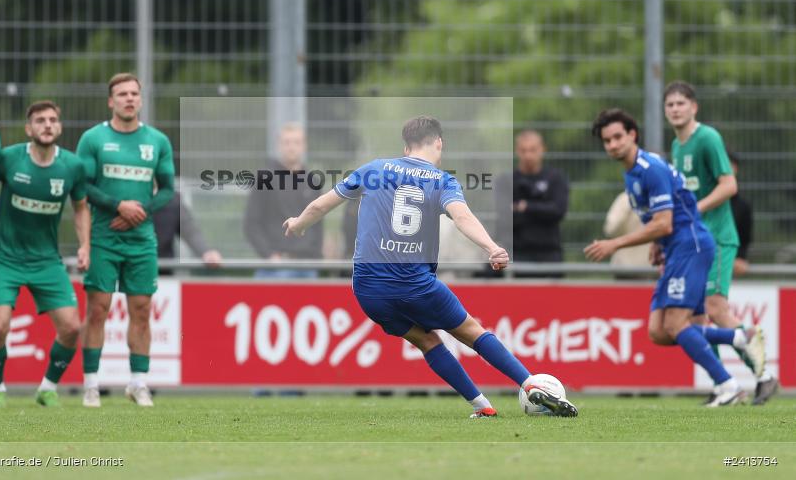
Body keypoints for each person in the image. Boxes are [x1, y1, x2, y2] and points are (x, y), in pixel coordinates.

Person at [283, 116, 577, 418]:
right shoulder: (442, 180)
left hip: (368, 290)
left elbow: (320, 205)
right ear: (438, 143)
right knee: (471, 331)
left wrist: (297, 224)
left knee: (426, 340)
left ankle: (483, 407)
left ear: (406, 146)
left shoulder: (373, 170)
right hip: (415, 285)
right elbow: (461, 217)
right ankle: (530, 384)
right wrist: (492, 247)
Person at [584, 108, 765, 407]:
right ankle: (740, 338)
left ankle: (728, 385)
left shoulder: (650, 168)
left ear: (632, 135)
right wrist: (658, 242)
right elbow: (660, 221)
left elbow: (665, 222)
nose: (613, 144)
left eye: (618, 137)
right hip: (675, 248)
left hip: (689, 245)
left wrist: (615, 244)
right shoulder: (632, 174)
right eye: (607, 140)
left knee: (677, 324)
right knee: (659, 331)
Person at [664, 82, 777, 405]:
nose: (675, 109)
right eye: (669, 104)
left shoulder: (708, 138)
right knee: (697, 318)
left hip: (718, 238)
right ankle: (724, 386)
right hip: (694, 242)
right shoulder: (677, 145)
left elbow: (729, 185)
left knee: (715, 308)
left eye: (681, 103)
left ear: (694, 107)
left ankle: (764, 376)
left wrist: (694, 211)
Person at [76, 73, 174, 408]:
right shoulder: (94, 139)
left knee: (142, 310)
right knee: (98, 309)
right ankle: (91, 383)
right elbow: (83, 186)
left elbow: (168, 190)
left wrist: (141, 210)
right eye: (122, 94)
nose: (129, 99)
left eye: (134, 93)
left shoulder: (157, 141)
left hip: (141, 239)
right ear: (111, 101)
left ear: (141, 100)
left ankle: (138, 382)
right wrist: (117, 205)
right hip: (104, 236)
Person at [0, 101, 90, 408]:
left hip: (47, 260)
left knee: (72, 327)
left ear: (60, 127)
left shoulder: (73, 166)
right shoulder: (8, 159)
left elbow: (81, 208)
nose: (47, 124)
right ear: (29, 128)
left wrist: (85, 245)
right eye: (40, 120)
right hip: (5, 257)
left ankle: (47, 387)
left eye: (53, 120)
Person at [244, 123, 323, 275]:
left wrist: (317, 256)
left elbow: (318, 223)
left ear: (304, 146)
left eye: (296, 142)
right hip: (276, 267)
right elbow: (251, 223)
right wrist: (269, 255)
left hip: (308, 267)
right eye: (287, 142)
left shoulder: (313, 181)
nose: (291, 147)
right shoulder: (265, 178)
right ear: (279, 146)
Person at [499, 130, 569, 277]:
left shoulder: (556, 178)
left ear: (543, 149)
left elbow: (558, 211)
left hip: (550, 254)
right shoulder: (505, 181)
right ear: (517, 151)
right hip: (517, 254)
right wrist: (543, 209)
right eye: (524, 150)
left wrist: (525, 207)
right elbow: (505, 218)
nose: (528, 155)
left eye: (533, 150)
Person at [153, 190, 222, 274]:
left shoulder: (172, 200)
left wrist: (206, 252)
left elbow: (190, 231)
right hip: (134, 270)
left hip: (163, 271)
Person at [603, 192, 651, 279]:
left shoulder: (624, 199)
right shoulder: (660, 197)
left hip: (625, 267)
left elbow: (611, 229)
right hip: (652, 267)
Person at [727, 152, 753, 278]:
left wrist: (740, 257)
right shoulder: (702, 201)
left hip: (729, 262)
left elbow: (744, 238)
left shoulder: (743, 207)